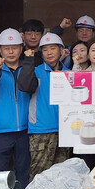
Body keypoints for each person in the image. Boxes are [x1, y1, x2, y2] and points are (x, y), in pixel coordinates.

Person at [0, 28, 36, 189]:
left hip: (25, 130)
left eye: (15, 47)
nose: (11, 51)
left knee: (23, 173)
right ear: (0, 50)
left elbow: (31, 88)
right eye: (6, 48)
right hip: (0, 132)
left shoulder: (28, 69)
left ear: (21, 48)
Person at [27, 33, 68, 180]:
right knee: (39, 175)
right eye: (45, 50)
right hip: (41, 130)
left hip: (64, 131)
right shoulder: (35, 72)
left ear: (61, 50)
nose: (49, 53)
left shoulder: (69, 73)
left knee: (62, 175)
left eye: (53, 48)